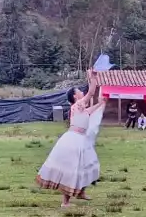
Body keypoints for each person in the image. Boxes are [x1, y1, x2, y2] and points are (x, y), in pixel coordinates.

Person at [36, 71, 105, 208]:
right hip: (73, 140)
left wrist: (100, 103)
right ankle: (65, 202)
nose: (81, 92)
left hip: (81, 140)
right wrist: (93, 79)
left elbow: (91, 110)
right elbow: (91, 93)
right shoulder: (77, 105)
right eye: (79, 91)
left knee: (86, 165)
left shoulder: (81, 109)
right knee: (71, 168)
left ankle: (81, 192)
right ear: (75, 96)